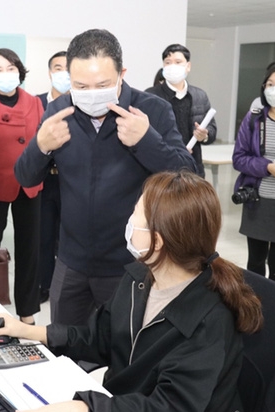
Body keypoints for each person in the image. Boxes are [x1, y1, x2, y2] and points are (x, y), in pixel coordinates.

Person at [0, 170, 263, 412]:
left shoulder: (209, 319)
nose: (128, 222)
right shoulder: (139, 278)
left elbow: (168, 406)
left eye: (135, 214)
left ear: (158, 240)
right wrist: (27, 331)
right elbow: (99, 338)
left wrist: (85, 407)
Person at [15, 29, 196, 326]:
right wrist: (41, 146)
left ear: (122, 74)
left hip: (131, 264)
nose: (91, 93)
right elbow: (24, 176)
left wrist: (145, 140)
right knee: (66, 349)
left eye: (102, 85)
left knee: (126, 354)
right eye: (80, 85)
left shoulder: (152, 109)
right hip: (71, 262)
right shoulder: (58, 110)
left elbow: (189, 177)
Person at [0, 48, 44, 325]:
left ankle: (27, 312)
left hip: (29, 183)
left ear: (20, 71)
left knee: (30, 250)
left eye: (11, 68)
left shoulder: (36, 103)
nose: (6, 74)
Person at [235, 60, 275, 281]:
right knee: (255, 264)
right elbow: (239, 159)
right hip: (258, 201)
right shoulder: (254, 119)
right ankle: (253, 309)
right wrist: (267, 167)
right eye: (269, 84)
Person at [146, 44, 217, 178]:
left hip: (193, 168)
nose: (172, 66)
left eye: (178, 62)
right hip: (162, 169)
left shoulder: (200, 95)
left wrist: (205, 135)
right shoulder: (150, 96)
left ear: (188, 66)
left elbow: (212, 129)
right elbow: (146, 134)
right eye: (168, 62)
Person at [36, 51, 70, 303]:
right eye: (58, 68)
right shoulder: (37, 103)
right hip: (44, 180)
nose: (63, 73)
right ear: (50, 72)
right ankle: (44, 286)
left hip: (70, 181)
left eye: (68, 68)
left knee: (67, 236)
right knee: (43, 236)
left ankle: (67, 285)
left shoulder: (80, 104)